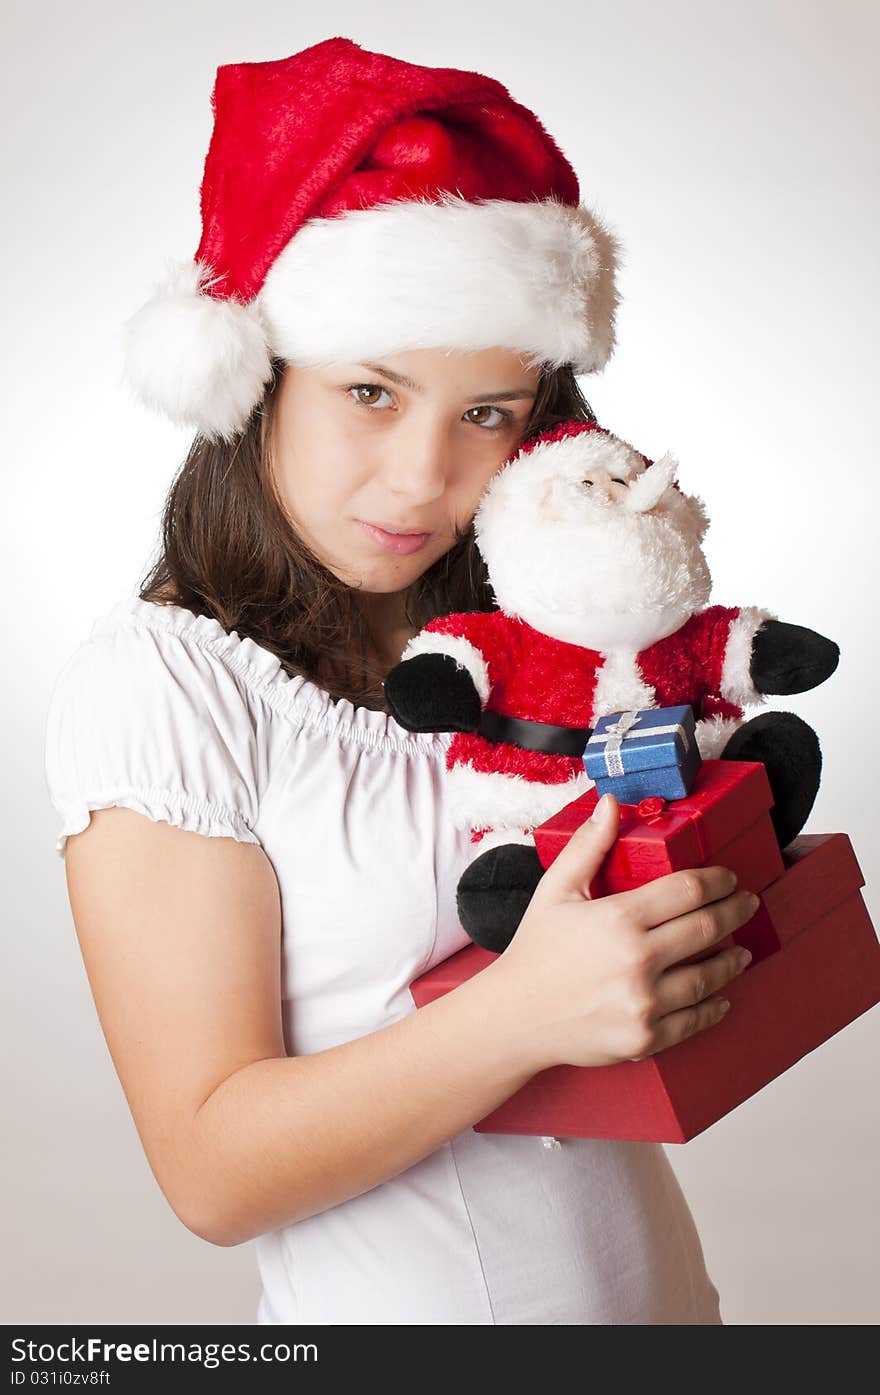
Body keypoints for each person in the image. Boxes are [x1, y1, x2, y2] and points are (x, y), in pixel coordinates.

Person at [44, 37, 758, 1325]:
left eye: (486, 413)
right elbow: (211, 1169)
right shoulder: (163, 686)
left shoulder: (513, 629)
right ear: (256, 377)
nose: (427, 479)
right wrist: (528, 1012)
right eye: (372, 390)